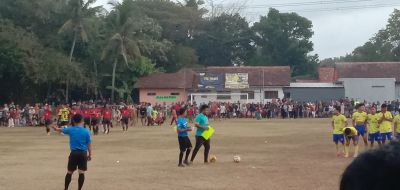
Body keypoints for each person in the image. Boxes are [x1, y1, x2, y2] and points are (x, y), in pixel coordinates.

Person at [51, 114, 92, 190]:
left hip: (74, 153)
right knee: (81, 172)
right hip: (83, 153)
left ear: (73, 121)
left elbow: (58, 130)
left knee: (69, 172)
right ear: (82, 121)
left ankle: (66, 188)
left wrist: (54, 127)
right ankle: (79, 189)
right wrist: (90, 155)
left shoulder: (71, 129)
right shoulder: (86, 131)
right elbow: (89, 144)